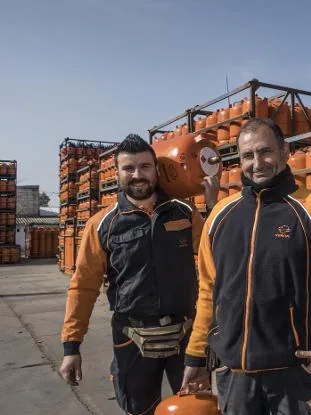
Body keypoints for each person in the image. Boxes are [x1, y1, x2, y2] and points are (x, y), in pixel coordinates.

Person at [181, 118, 311, 414]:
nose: (257, 163)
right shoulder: (220, 216)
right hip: (235, 377)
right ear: (239, 160)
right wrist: (195, 354)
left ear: (284, 151)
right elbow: (208, 292)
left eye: (265, 151)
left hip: (296, 375)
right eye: (247, 156)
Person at [59, 134, 220, 414]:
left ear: (156, 169)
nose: (137, 175)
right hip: (131, 336)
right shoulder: (103, 225)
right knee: (138, 409)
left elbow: (215, 256)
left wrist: (213, 206)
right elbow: (83, 286)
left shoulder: (184, 213)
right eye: (129, 168)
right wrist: (71, 346)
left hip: (186, 334)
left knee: (198, 407)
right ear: (118, 173)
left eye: (145, 167)